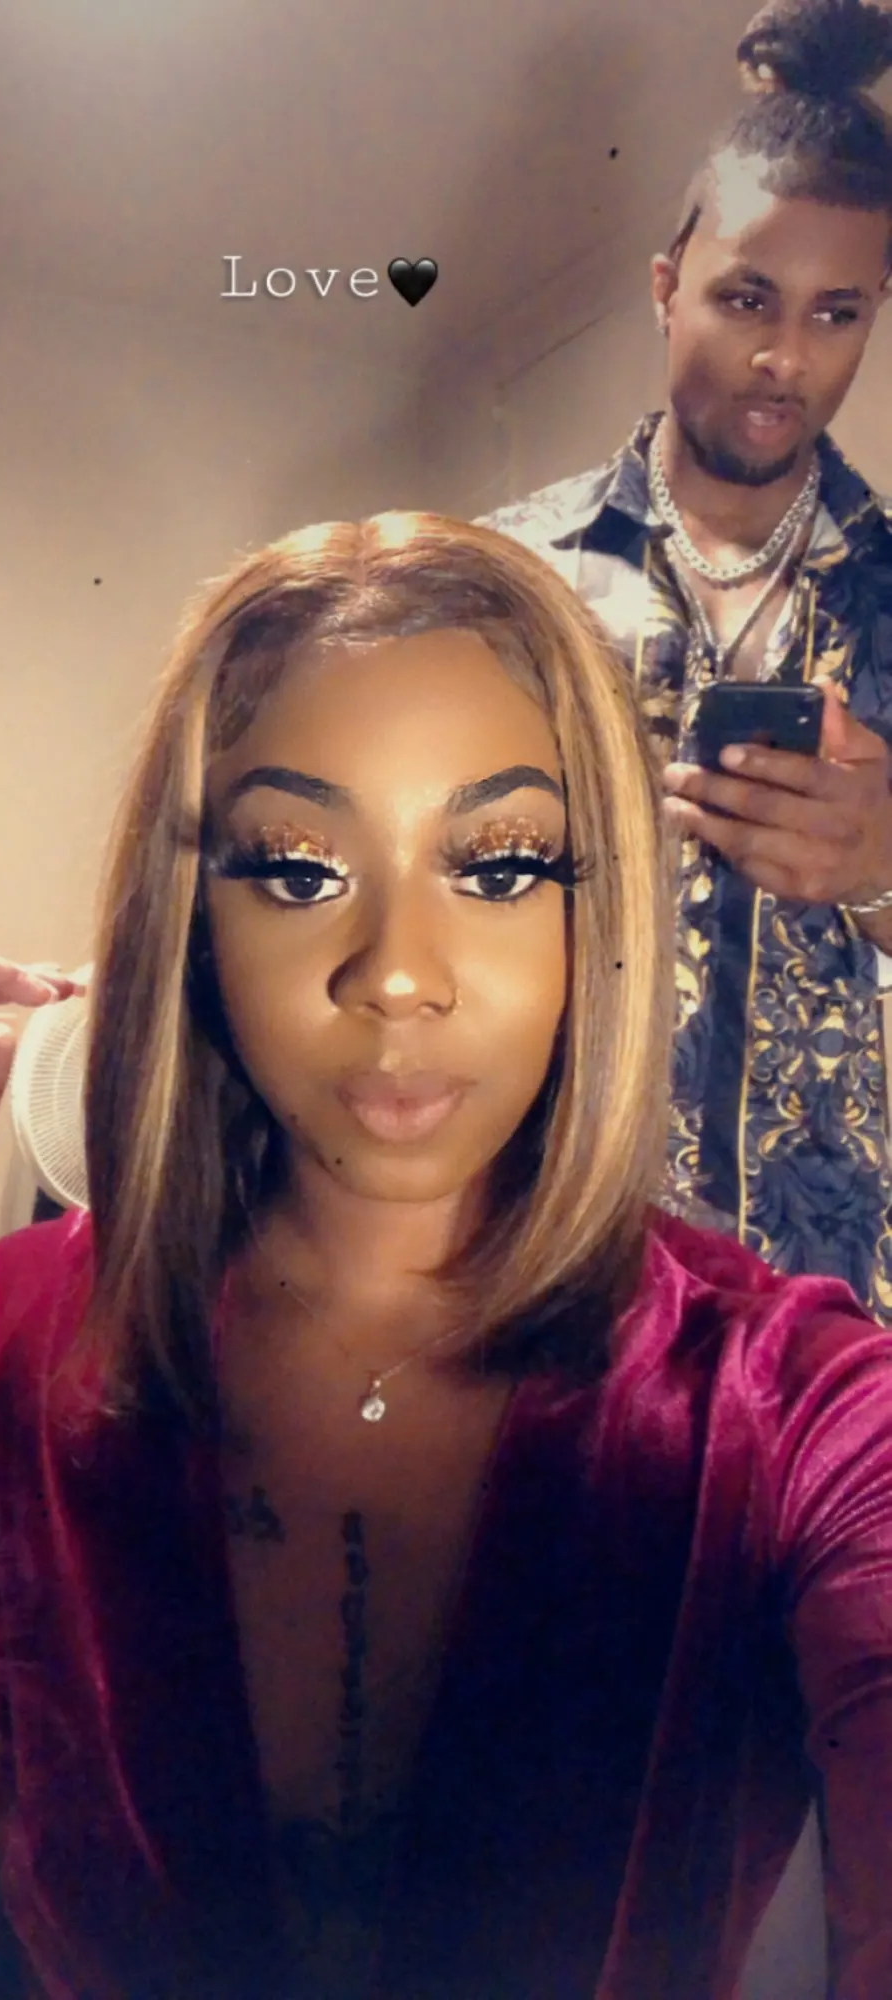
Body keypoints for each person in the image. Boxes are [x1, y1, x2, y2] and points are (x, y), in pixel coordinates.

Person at [0, 511, 891, 2000]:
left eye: (499, 865)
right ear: (195, 919)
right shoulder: (14, 1339)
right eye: (298, 870)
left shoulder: (788, 1401)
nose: (398, 975)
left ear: (595, 915)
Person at [483, 0, 892, 1319]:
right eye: (746, 298)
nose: (785, 359)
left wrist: (885, 874)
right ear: (667, 287)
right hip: (545, 1280)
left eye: (838, 313)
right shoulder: (505, 581)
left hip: (832, 1320)